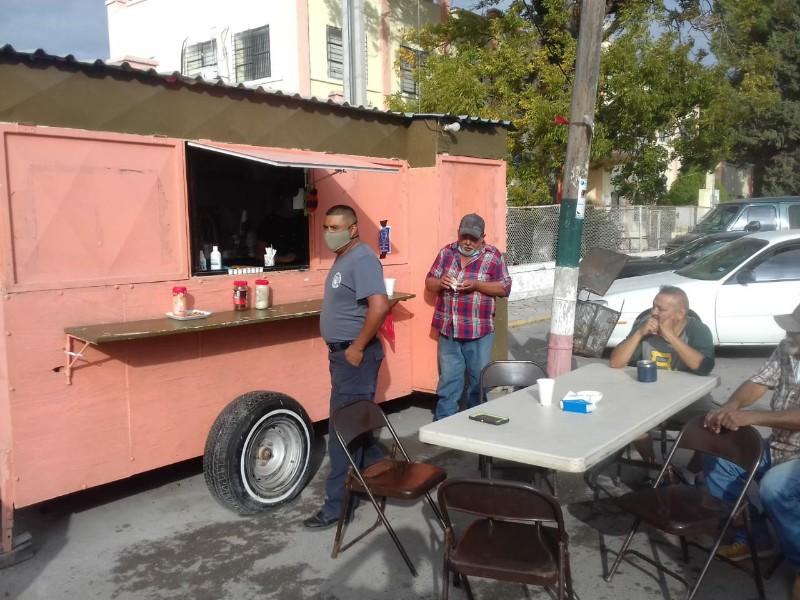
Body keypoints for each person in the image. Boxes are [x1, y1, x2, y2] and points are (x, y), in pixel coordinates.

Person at [703, 302, 800, 599]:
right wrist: (733, 405)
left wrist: (753, 416)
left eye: (795, 329)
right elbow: (758, 382)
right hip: (779, 446)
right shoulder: (789, 348)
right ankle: (755, 536)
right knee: (718, 455)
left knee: (775, 487)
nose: (788, 332)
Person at [303, 205, 389, 529]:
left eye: (336, 226)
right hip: (343, 359)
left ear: (353, 229)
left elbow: (379, 307)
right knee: (356, 432)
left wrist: (356, 347)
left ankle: (336, 507)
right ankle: (382, 477)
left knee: (342, 435)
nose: (329, 232)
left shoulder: (363, 258)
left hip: (354, 359)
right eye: (326, 226)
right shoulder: (345, 258)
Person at [610, 286, 715, 463]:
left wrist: (671, 336)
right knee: (628, 423)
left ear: (680, 314)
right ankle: (654, 468)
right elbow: (615, 363)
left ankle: (695, 471)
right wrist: (638, 334)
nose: (654, 312)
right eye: (653, 306)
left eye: (661, 309)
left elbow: (703, 367)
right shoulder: (644, 326)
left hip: (688, 400)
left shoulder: (697, 330)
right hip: (646, 398)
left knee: (713, 423)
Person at [425, 213, 512, 421]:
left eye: (473, 238)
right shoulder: (446, 252)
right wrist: (440, 282)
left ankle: (477, 421)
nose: (467, 242)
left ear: (483, 237)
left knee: (478, 381)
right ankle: (444, 424)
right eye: (464, 236)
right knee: (449, 381)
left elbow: (504, 287)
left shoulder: (493, 256)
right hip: (449, 330)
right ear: (458, 234)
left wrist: (477, 285)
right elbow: (429, 282)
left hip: (478, 331)